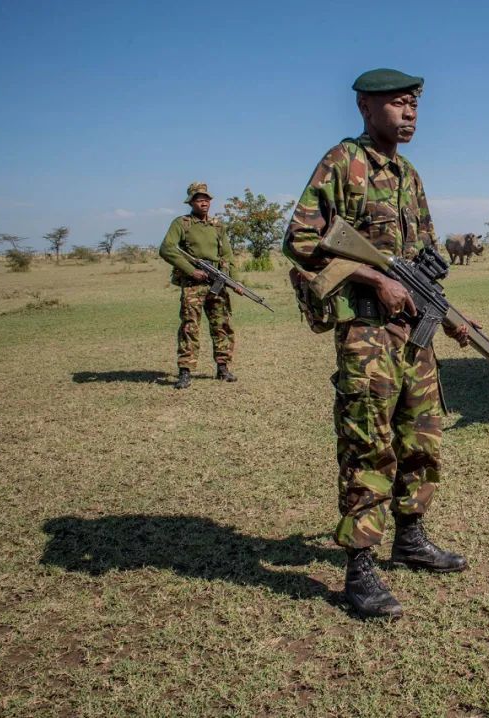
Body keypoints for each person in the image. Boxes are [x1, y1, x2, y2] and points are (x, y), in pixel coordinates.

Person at [283, 68, 471, 620]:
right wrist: (374, 279)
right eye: (397, 104)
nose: (409, 113)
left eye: (414, 105)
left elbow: (423, 246)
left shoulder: (409, 174)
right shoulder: (342, 162)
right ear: (366, 107)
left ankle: (410, 538)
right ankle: (359, 568)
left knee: (423, 436)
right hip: (367, 333)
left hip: (414, 332)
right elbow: (300, 240)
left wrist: (430, 271)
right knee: (369, 440)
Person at [159, 182, 239, 389]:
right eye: (199, 199)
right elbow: (167, 249)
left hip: (218, 282)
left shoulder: (218, 226)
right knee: (189, 326)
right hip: (193, 284)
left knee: (222, 325)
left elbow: (228, 255)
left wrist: (234, 281)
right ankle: (185, 371)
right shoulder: (182, 223)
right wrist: (190, 270)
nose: (204, 202)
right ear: (191, 202)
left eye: (207, 199)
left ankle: (223, 369)